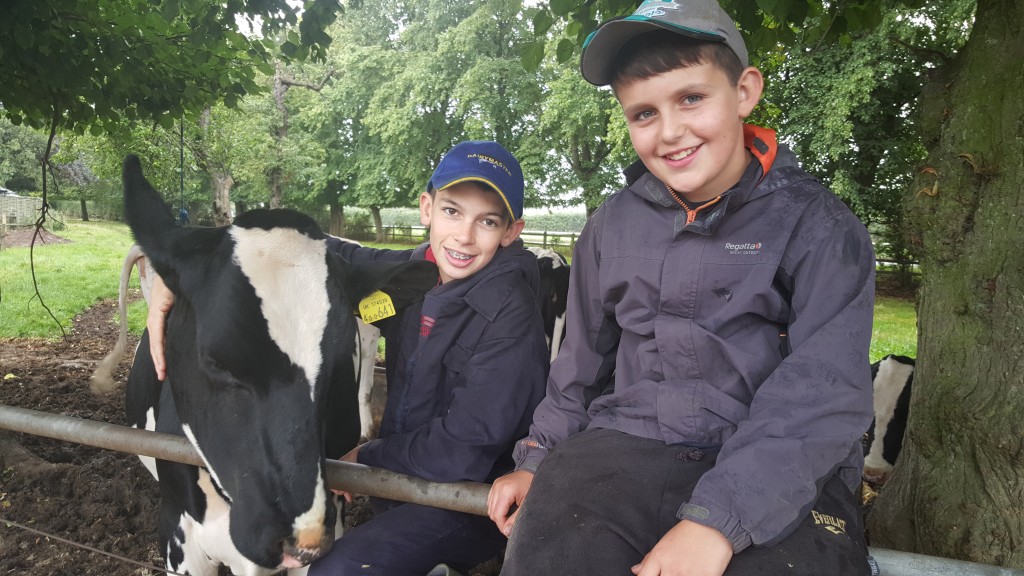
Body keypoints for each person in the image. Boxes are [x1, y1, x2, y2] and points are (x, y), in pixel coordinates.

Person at [486, 2, 876, 575]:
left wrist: (719, 521)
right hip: (625, 447)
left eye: (691, 98)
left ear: (744, 91)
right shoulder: (609, 227)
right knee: (548, 553)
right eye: (643, 113)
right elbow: (580, 366)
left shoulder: (818, 226)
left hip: (780, 464)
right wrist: (539, 456)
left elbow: (822, 391)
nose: (670, 132)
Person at [147, 140, 550, 576]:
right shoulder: (416, 274)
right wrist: (193, 254)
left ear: (511, 231)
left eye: (487, 221)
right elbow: (326, 252)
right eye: (453, 211)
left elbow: (465, 446)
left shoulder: (511, 314)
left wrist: (368, 456)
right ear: (427, 207)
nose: (464, 237)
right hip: (408, 484)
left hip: (470, 502)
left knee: (336, 572)